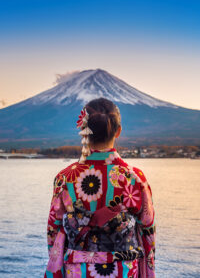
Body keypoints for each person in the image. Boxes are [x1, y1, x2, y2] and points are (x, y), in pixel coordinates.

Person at [44, 97, 156, 278]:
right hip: (124, 269)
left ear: (84, 131)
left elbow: (53, 230)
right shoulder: (134, 178)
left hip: (77, 269)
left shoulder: (65, 178)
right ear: (118, 131)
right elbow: (148, 231)